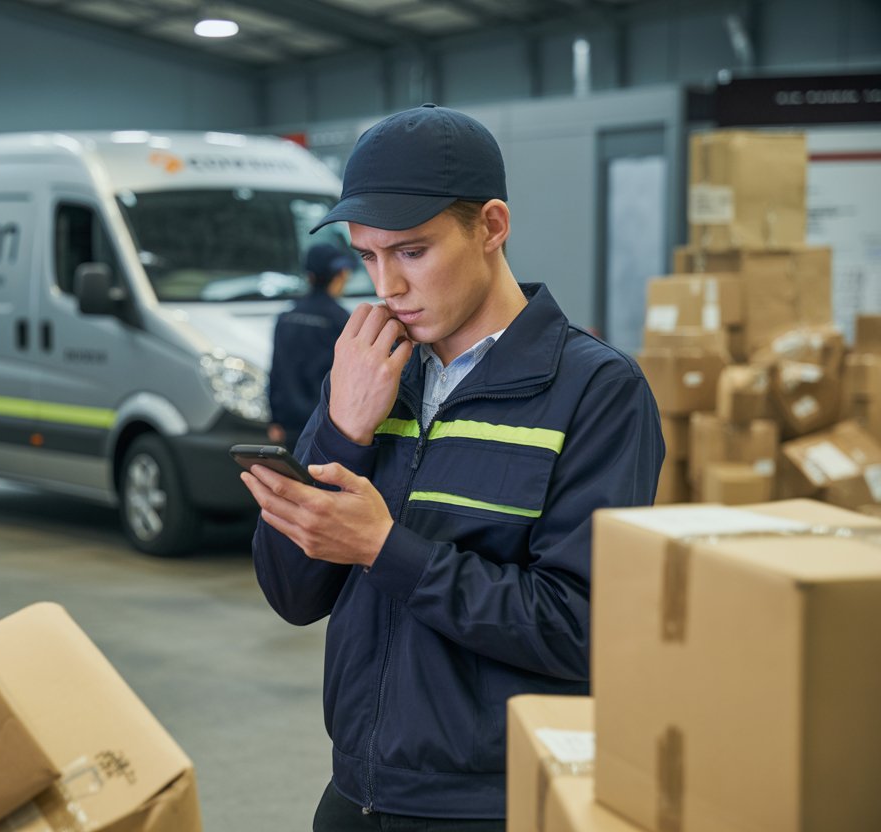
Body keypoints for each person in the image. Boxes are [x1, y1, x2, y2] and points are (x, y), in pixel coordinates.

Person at [240, 104, 663, 830]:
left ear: (492, 226)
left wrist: (385, 548)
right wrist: (343, 429)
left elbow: (584, 628)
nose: (387, 287)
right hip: (354, 795)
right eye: (367, 257)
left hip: (489, 807)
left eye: (411, 252)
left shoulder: (594, 392)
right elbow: (293, 592)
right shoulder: (368, 374)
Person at [268, 242, 354, 452]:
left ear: (309, 275)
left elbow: (275, 372)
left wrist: (274, 419)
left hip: (289, 425)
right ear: (341, 273)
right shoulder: (341, 320)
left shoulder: (286, 316)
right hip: (326, 423)